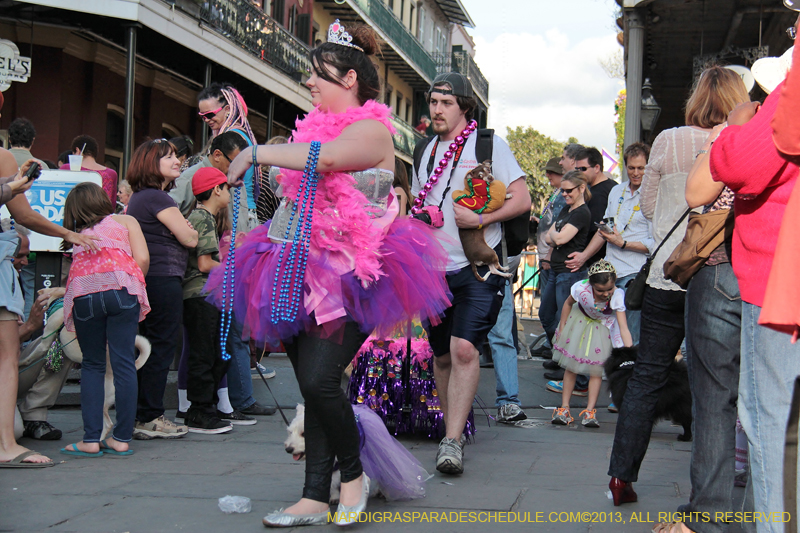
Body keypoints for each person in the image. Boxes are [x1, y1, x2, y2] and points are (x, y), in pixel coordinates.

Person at [212, 20, 451, 527]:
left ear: (349, 80)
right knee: (311, 388)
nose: (310, 83)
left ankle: (352, 475)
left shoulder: (373, 129)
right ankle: (313, 495)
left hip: (352, 276)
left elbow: (332, 160)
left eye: (319, 74)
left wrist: (255, 152)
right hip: (294, 265)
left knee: (322, 382)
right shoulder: (310, 126)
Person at [607, 66, 750, 514]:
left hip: (667, 274)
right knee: (715, 386)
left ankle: (620, 476)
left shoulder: (668, 140)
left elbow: (648, 205)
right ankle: (712, 493)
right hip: (719, 273)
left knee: (648, 373)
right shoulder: (742, 138)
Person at [411, 71, 530, 475]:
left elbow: (522, 198)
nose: (437, 109)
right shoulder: (424, 149)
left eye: (445, 103)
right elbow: (419, 201)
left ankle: (452, 441)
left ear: (464, 105)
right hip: (432, 268)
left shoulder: (488, 144)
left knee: (465, 349)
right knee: (442, 356)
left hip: (478, 266)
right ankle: (453, 427)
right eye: (433, 102)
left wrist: (481, 215)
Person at [0, 148, 98, 467]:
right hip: (26, 353)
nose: (19, 262)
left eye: (21, 258)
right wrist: (29, 325)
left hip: (39, 354)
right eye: (16, 257)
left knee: (59, 340)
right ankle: (19, 426)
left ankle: (34, 414)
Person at [59, 182, 150, 457]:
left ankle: (90, 439)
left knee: (92, 365)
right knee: (123, 363)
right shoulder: (125, 220)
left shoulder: (76, 235)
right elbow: (143, 258)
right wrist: (134, 280)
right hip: (122, 290)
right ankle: (121, 438)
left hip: (84, 295)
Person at [126, 139, 198, 440]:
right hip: (162, 278)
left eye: (175, 156)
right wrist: (190, 230)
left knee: (148, 345)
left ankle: (141, 413)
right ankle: (150, 416)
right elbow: (190, 238)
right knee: (160, 345)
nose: (176, 161)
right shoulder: (158, 198)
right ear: (149, 164)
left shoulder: (142, 198)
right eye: (167, 157)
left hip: (149, 279)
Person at [565, 143, 653, 345]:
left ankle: (626, 374)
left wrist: (623, 244)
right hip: (609, 273)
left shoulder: (653, 195)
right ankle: (591, 373)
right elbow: (604, 230)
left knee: (628, 335)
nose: (636, 173)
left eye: (641, 168)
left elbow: (654, 243)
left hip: (634, 273)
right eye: (631, 168)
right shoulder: (617, 191)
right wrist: (584, 257)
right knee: (598, 332)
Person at [181, 167, 237, 434]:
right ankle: (199, 410)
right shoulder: (202, 217)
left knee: (218, 353)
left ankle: (206, 407)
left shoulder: (205, 217)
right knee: (205, 354)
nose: (230, 193)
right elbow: (204, 264)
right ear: (216, 190)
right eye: (227, 188)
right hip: (200, 295)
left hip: (208, 296)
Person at [551, 260, 632, 427]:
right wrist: (563, 326)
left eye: (609, 289)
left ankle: (590, 410)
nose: (605, 294)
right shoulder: (581, 289)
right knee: (571, 365)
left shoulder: (617, 296)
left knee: (596, 370)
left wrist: (630, 351)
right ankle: (564, 407)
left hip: (602, 328)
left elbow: (623, 326)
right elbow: (567, 303)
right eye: (600, 290)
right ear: (591, 284)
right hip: (579, 322)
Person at [540, 170, 593, 394]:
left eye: (568, 190)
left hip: (570, 275)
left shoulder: (581, 213)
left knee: (569, 325)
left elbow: (558, 237)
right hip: (557, 271)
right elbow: (547, 236)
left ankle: (578, 378)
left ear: (581, 189)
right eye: (563, 190)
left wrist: (556, 236)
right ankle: (565, 362)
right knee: (546, 315)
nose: (564, 194)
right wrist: (555, 236)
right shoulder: (566, 209)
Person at [197, 83, 267, 231]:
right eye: (202, 116)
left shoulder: (232, 139)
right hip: (240, 209)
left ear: (227, 109)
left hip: (235, 211)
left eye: (210, 114)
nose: (207, 120)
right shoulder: (238, 134)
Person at [170, 131, 248, 217]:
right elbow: (168, 216)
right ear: (217, 155)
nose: (240, 169)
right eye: (235, 163)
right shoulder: (189, 179)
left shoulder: (237, 181)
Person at [534, 156, 566, 359]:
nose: (548, 176)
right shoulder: (556, 194)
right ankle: (550, 343)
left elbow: (559, 226)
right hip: (545, 254)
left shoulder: (563, 196)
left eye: (552, 172)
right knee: (548, 304)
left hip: (550, 257)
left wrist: (548, 255)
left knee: (549, 306)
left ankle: (554, 346)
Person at [573, 146, 616, 267]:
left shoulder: (600, 194)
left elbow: (599, 230)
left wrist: (584, 256)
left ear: (597, 168)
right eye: (576, 170)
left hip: (595, 261)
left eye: (583, 169)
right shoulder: (600, 188)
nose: (579, 174)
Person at [59, 135, 118, 202]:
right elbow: (112, 205)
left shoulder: (67, 168)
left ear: (77, 150)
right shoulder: (111, 174)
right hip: (101, 212)